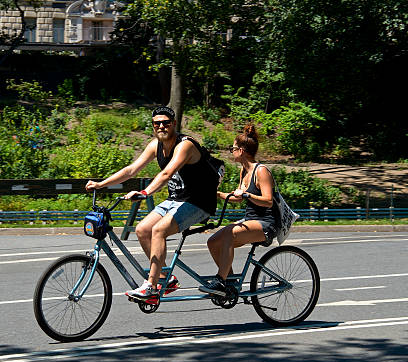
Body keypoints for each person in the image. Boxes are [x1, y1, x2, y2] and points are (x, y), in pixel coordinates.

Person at [85, 106, 218, 303]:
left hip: (199, 202)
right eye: (157, 123)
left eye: (166, 122)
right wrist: (101, 184)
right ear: (153, 126)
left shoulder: (185, 145)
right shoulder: (155, 145)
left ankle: (151, 287)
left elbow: (166, 174)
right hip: (176, 199)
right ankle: (166, 278)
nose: (161, 126)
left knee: (159, 231)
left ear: (174, 124)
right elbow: (132, 170)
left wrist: (145, 192)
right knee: (142, 229)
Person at [199, 124, 277, 296]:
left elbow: (268, 201)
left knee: (229, 234)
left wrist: (248, 195)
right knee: (212, 242)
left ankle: (220, 280)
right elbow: (238, 197)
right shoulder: (244, 171)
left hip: (266, 224)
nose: (231, 151)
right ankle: (230, 284)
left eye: (233, 148)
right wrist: (217, 194)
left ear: (241, 151)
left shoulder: (261, 171)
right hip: (250, 221)